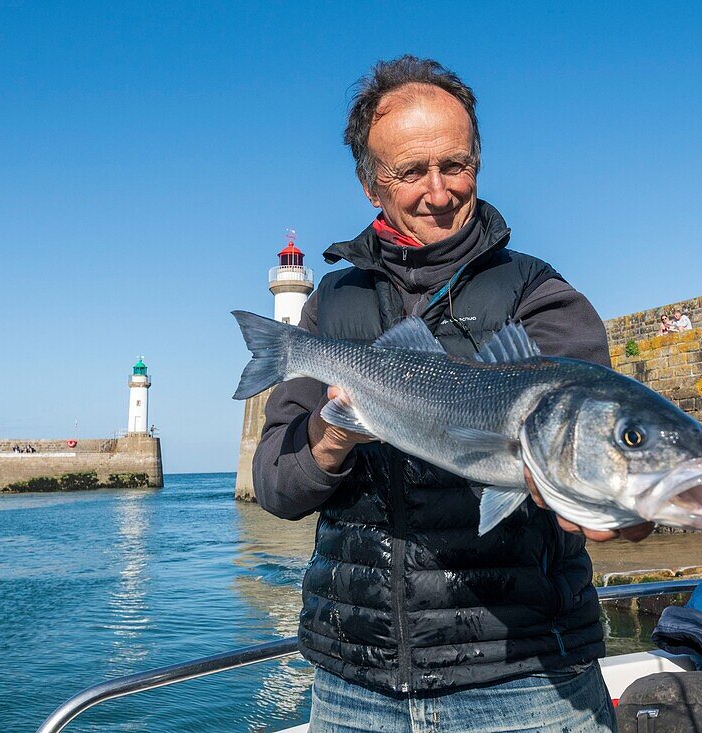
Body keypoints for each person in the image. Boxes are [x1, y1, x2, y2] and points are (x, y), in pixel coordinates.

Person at [253, 56, 653, 733]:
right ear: (369, 183)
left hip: (526, 683)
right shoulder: (331, 305)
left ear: (478, 163)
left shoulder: (538, 294)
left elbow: (601, 450)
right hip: (353, 692)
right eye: (411, 171)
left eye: (456, 165)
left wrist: (623, 504)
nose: (438, 192)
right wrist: (334, 435)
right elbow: (275, 487)